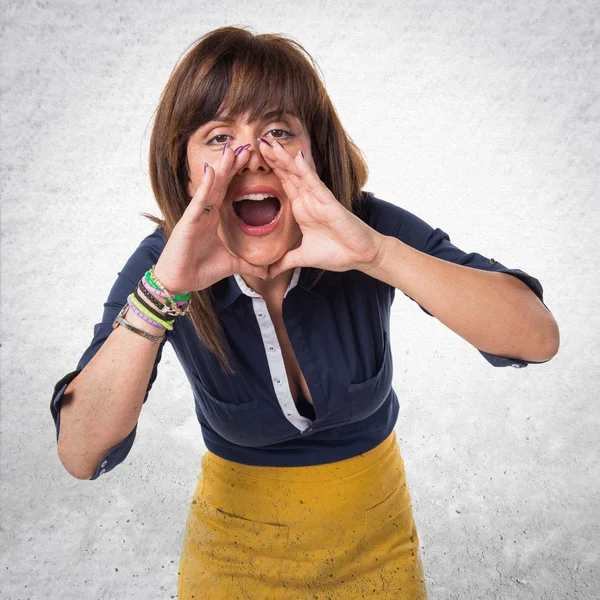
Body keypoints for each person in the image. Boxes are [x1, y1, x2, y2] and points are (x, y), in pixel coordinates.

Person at [50, 25, 560, 599]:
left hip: (378, 543)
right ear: (183, 168)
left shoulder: (364, 226)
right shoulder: (163, 264)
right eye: (219, 138)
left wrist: (377, 253)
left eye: (276, 131)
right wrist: (162, 292)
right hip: (234, 555)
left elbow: (535, 337)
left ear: (314, 149)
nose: (249, 158)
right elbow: (81, 451)